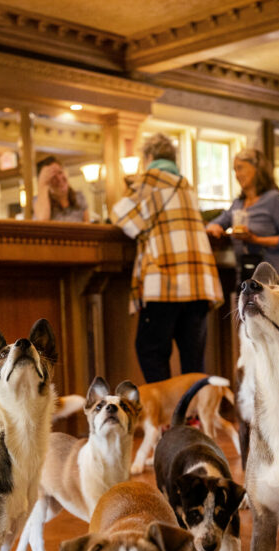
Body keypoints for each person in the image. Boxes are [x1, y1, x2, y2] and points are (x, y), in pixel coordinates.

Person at [111, 133, 223, 384]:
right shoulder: (186, 186)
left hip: (164, 281)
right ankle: (193, 407)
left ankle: (166, 409)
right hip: (199, 283)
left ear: (149, 156)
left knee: (150, 351)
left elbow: (119, 214)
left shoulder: (150, 179)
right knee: (193, 362)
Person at [206, 147, 279, 283]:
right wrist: (214, 227)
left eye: (240, 168)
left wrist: (255, 239)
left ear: (256, 168)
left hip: (273, 279)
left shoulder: (274, 199)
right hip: (246, 276)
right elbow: (217, 222)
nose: (237, 175)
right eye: (235, 170)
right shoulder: (238, 204)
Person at [33, 156, 89, 222]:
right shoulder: (38, 201)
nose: (59, 179)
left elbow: (87, 225)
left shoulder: (79, 197)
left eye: (60, 172)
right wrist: (42, 184)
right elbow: (42, 221)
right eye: (53, 176)